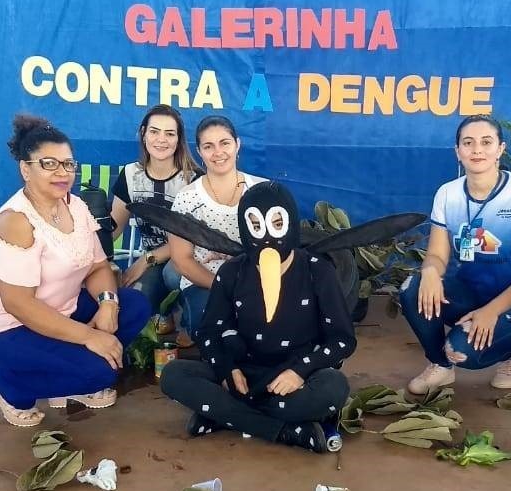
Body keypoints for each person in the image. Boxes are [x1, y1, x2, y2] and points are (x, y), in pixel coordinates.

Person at [133, 182, 422, 453]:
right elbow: (209, 332)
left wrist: (299, 372)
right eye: (256, 226)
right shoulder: (232, 271)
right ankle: (287, 432)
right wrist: (226, 370)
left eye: (277, 224)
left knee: (334, 388)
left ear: (291, 224)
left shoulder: (317, 271)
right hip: (243, 371)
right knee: (174, 376)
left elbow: (342, 340)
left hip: (295, 375)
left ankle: (224, 414)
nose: (267, 236)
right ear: (244, 229)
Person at [0, 114, 150, 426]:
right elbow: (18, 304)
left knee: (133, 305)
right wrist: (88, 337)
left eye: (68, 164)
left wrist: (108, 302)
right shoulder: (16, 222)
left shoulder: (75, 205)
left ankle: (70, 377)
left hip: (61, 309)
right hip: (9, 327)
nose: (62, 172)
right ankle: (9, 385)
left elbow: (97, 267)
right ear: (26, 168)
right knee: (100, 372)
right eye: (49, 163)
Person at [401, 114, 511, 394]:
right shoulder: (448, 194)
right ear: (457, 152)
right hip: (470, 294)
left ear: (500, 149)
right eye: (468, 143)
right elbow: (437, 253)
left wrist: (491, 312)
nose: (477, 150)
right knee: (412, 289)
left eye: (486, 142)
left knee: (461, 351)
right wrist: (430, 272)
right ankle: (440, 366)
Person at [168, 115, 264, 342]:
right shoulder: (186, 199)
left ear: (237, 144)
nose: (218, 152)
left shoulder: (262, 191)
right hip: (206, 282)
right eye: (208, 146)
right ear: (199, 152)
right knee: (211, 326)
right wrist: (225, 288)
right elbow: (182, 261)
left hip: (256, 280)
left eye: (225, 143)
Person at [109, 105, 200, 333]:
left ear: (179, 139)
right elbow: (115, 227)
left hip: (188, 257)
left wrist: (146, 259)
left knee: (174, 272)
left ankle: (188, 324)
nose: (161, 140)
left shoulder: (193, 179)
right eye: (154, 131)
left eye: (170, 133)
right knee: (136, 299)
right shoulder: (130, 174)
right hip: (153, 262)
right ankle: (164, 313)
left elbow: (191, 237)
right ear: (143, 133)